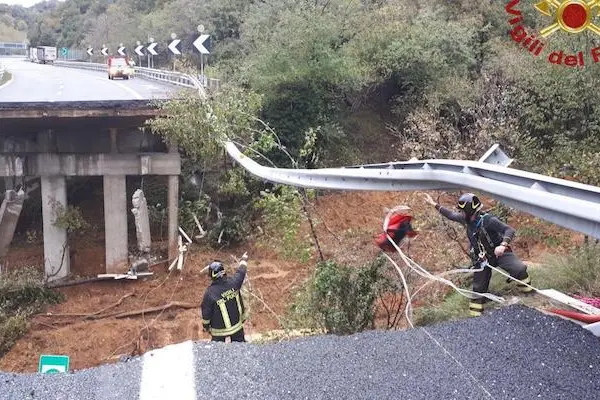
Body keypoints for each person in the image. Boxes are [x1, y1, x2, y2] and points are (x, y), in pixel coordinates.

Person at [423, 192, 533, 316]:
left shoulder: (489, 220)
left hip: (499, 253)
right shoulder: (465, 219)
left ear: (470, 212)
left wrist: (502, 245)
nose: (461, 214)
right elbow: (451, 215)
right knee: (478, 289)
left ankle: (530, 294)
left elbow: (509, 230)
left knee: (519, 269)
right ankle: (475, 316)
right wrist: (434, 204)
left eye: (463, 212)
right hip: (483, 259)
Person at [201, 253, 249, 342]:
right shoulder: (234, 283)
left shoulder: (209, 293)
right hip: (237, 327)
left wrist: (206, 327)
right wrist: (243, 260)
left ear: (211, 276)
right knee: (241, 350)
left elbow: (206, 314)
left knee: (217, 353)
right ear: (224, 272)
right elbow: (241, 272)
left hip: (218, 332)